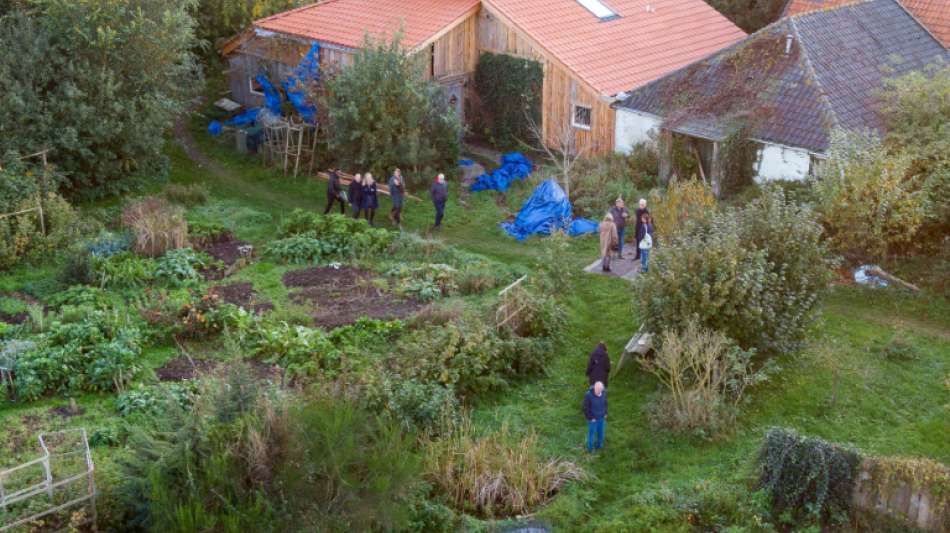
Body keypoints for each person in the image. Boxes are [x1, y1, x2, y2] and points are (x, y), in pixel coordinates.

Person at [582, 381, 607, 453]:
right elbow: (585, 407)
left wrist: (605, 413)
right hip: (593, 419)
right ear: (594, 388)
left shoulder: (604, 393)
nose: (598, 392)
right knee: (592, 434)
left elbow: (605, 403)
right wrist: (590, 417)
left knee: (601, 432)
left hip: (602, 417)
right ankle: (590, 448)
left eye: (600, 390)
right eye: (597, 390)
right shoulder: (588, 395)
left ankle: (599, 445)